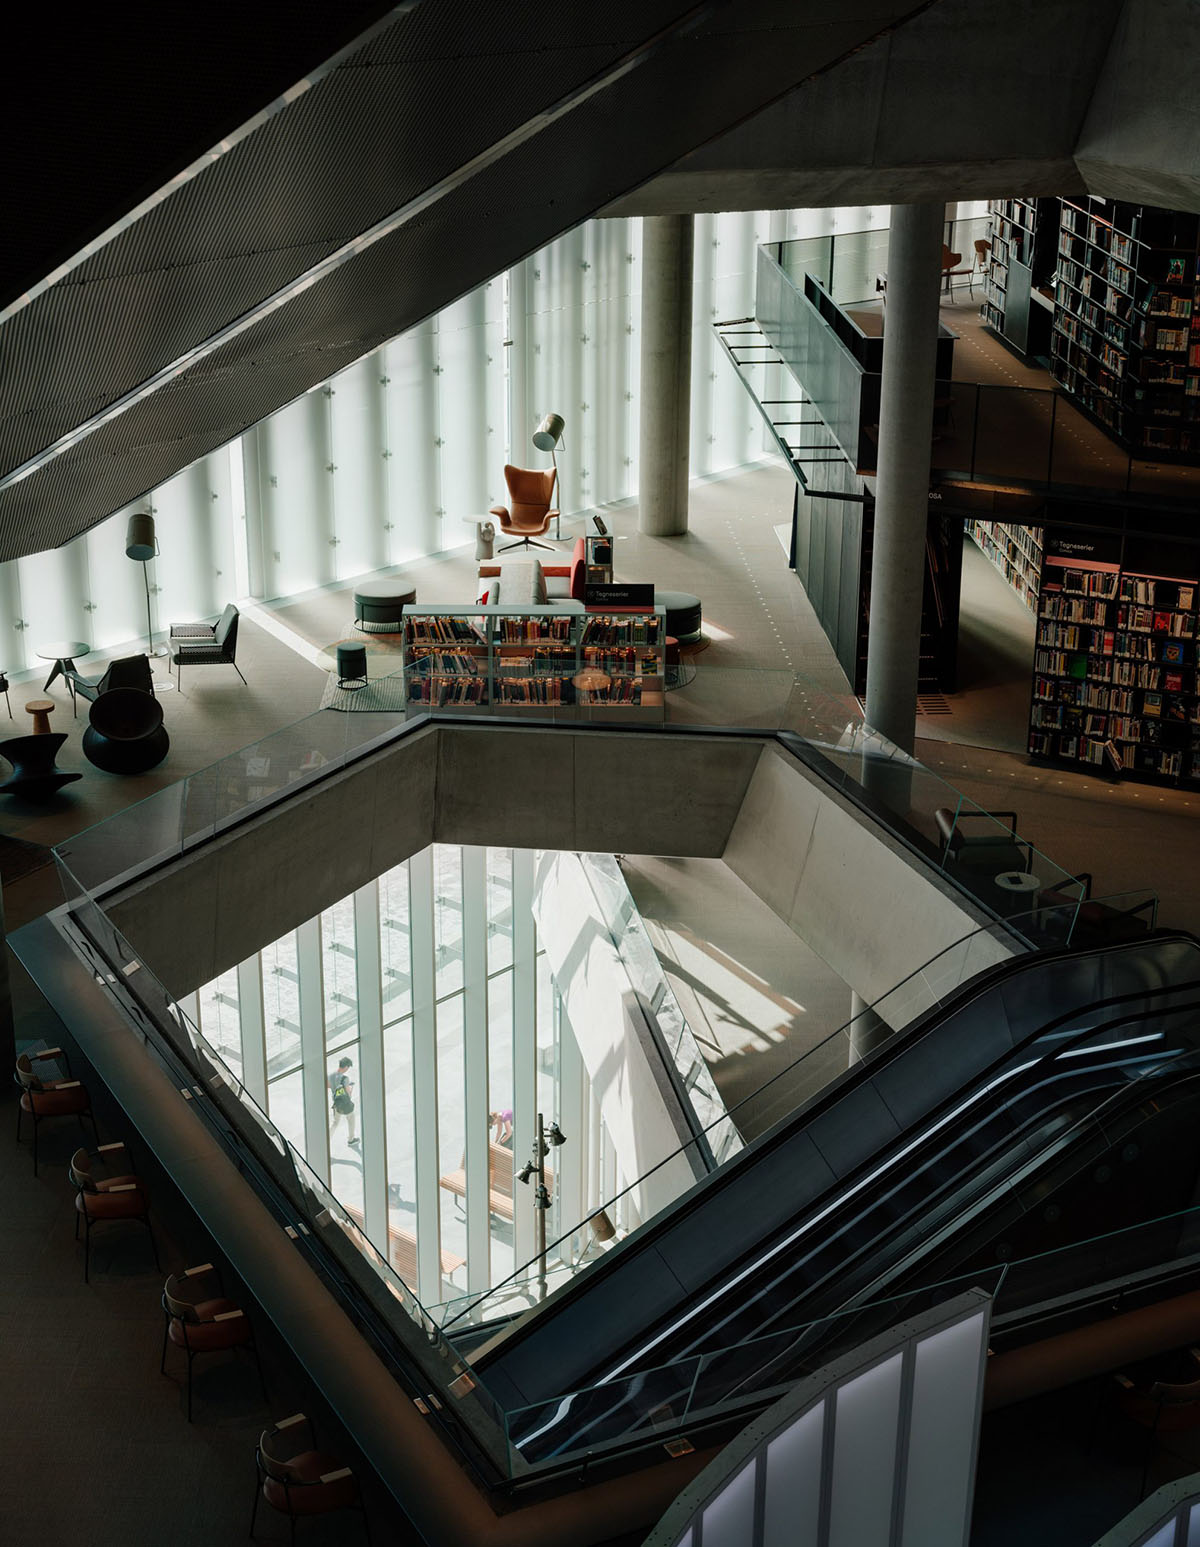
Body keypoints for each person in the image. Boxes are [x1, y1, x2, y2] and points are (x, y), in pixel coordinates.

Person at [328, 1056, 359, 1147]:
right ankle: (351, 1139)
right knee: (351, 1119)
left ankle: (327, 1140)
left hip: (336, 1103)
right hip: (345, 1104)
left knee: (335, 1122)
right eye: (348, 1067)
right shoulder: (345, 1078)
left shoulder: (331, 1075)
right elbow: (348, 1094)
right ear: (345, 1067)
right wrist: (350, 1088)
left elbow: (330, 1086)